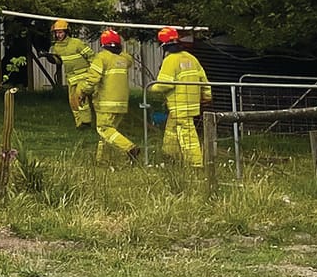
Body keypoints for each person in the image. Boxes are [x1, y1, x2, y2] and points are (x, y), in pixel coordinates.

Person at [73, 29, 139, 163]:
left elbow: (92, 79)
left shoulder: (102, 58)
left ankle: (130, 148)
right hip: (121, 103)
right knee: (108, 133)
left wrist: (84, 92)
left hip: (105, 103)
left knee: (104, 129)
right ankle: (102, 161)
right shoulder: (124, 59)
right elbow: (128, 57)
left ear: (103, 44)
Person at [148, 26, 210, 167]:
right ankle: (170, 156)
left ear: (164, 45)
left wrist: (152, 88)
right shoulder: (191, 58)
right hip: (192, 103)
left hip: (179, 104)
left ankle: (195, 164)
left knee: (187, 134)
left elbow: (164, 84)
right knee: (171, 130)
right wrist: (207, 96)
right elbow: (204, 80)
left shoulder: (170, 60)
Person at [49, 19, 94, 129]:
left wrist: (94, 72)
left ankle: (86, 121)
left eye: (61, 32)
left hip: (84, 75)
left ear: (66, 32)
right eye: (57, 32)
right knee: (73, 101)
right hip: (71, 78)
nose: (59, 35)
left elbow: (91, 56)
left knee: (80, 96)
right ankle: (79, 124)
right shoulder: (56, 47)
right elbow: (59, 62)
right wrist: (50, 57)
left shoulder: (76, 43)